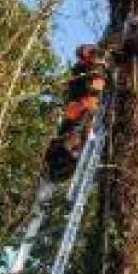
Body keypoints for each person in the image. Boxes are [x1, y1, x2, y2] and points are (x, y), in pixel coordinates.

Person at [45, 44, 107, 181]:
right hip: (76, 106)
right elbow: (79, 86)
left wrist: (97, 77)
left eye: (84, 54)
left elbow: (96, 88)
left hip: (84, 104)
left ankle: (64, 162)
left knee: (74, 132)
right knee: (66, 133)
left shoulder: (97, 68)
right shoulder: (81, 68)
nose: (81, 56)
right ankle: (54, 164)